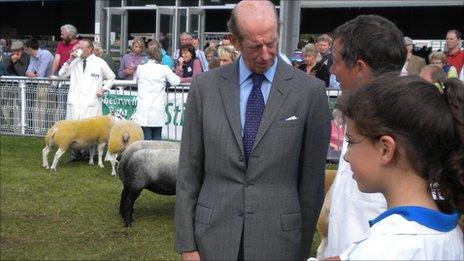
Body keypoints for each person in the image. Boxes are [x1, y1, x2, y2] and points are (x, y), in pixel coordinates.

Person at [174, 1, 330, 260]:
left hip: (280, 241)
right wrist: (187, 245)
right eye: (255, 46)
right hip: (213, 237)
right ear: (234, 41)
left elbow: (311, 183)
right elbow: (189, 171)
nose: (266, 54)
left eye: (271, 43)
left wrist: (300, 247)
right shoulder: (205, 88)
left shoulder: (309, 92)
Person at [334, 75, 464, 260]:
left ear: (385, 149)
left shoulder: (383, 248)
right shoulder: (453, 232)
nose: (347, 156)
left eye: (351, 142)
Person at [324, 15, 407, 258]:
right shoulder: (360, 110)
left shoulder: (409, 124)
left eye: (336, 61)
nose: (332, 69)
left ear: (359, 67)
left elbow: (415, 224)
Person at [59, 38, 115, 120]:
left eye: (81, 48)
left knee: (90, 131)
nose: (79, 50)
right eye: (78, 48)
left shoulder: (99, 62)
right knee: (74, 130)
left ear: (89, 49)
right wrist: (69, 60)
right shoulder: (74, 62)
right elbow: (62, 75)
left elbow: (111, 77)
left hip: (91, 104)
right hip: (75, 103)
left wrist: (104, 89)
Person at [132, 46, 180, 140]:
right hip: (157, 107)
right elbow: (176, 81)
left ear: (148, 55)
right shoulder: (164, 69)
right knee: (157, 136)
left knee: (146, 137)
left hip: (144, 107)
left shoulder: (141, 68)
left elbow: (135, 80)